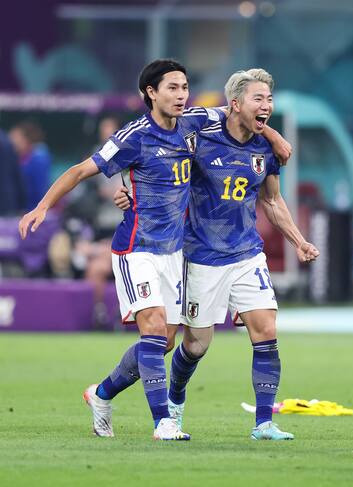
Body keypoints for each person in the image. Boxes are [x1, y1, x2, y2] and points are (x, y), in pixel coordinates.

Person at [19, 59, 217, 441]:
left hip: (173, 253)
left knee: (165, 341)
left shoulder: (193, 121)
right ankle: (163, 422)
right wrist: (43, 207)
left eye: (184, 87)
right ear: (151, 93)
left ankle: (101, 394)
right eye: (172, 88)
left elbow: (238, 110)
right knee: (155, 328)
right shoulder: (134, 136)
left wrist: (274, 137)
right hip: (136, 248)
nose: (181, 95)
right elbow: (79, 171)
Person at [113, 69, 311, 440]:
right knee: (195, 344)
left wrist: (298, 241)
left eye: (269, 99)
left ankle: (264, 423)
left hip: (247, 253)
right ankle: (175, 397)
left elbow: (271, 199)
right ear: (234, 104)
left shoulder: (264, 147)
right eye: (259, 99)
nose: (266, 106)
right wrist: (128, 193)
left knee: (266, 330)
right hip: (200, 256)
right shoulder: (198, 133)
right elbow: (152, 146)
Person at [9, 121, 52, 211]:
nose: (11, 142)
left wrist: (36, 210)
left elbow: (40, 189)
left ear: (26, 139)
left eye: (15, 138)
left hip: (33, 208)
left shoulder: (39, 158)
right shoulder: (20, 157)